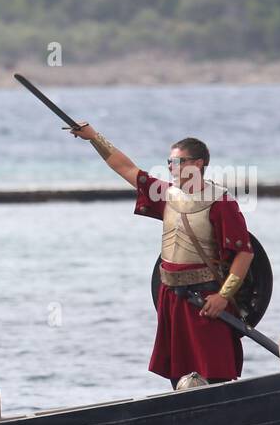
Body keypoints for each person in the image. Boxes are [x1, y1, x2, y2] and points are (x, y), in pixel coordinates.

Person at [68, 124, 254, 386]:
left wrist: (223, 297)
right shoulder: (166, 195)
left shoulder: (221, 203)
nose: (171, 166)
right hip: (171, 298)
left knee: (214, 373)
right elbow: (127, 169)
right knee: (180, 376)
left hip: (205, 300)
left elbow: (244, 254)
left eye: (178, 161)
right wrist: (93, 138)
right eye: (169, 161)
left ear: (198, 163)